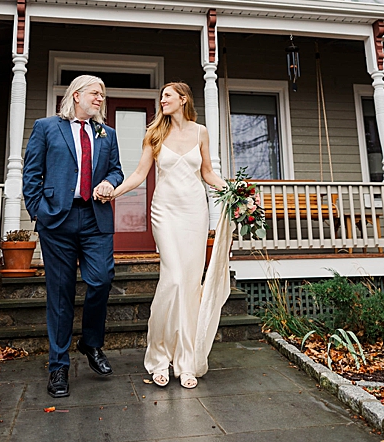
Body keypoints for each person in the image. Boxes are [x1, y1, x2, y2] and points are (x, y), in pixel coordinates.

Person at [98, 81, 233, 387]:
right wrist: (114, 193)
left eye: (167, 96)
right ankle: (158, 357)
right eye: (161, 97)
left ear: (183, 99)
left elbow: (208, 173)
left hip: (195, 213)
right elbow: (138, 174)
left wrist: (236, 191)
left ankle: (185, 362)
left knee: (188, 285)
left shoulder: (201, 132)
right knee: (172, 279)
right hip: (166, 212)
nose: (162, 101)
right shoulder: (155, 134)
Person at [19, 75, 125, 399]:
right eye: (96, 93)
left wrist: (110, 182)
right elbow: (31, 172)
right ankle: (58, 367)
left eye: (103, 94)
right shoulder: (47, 127)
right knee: (61, 293)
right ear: (77, 95)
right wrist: (39, 211)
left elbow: (117, 170)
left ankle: (91, 343)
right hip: (58, 221)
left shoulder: (107, 134)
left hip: (95, 218)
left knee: (101, 279)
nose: (100, 99)